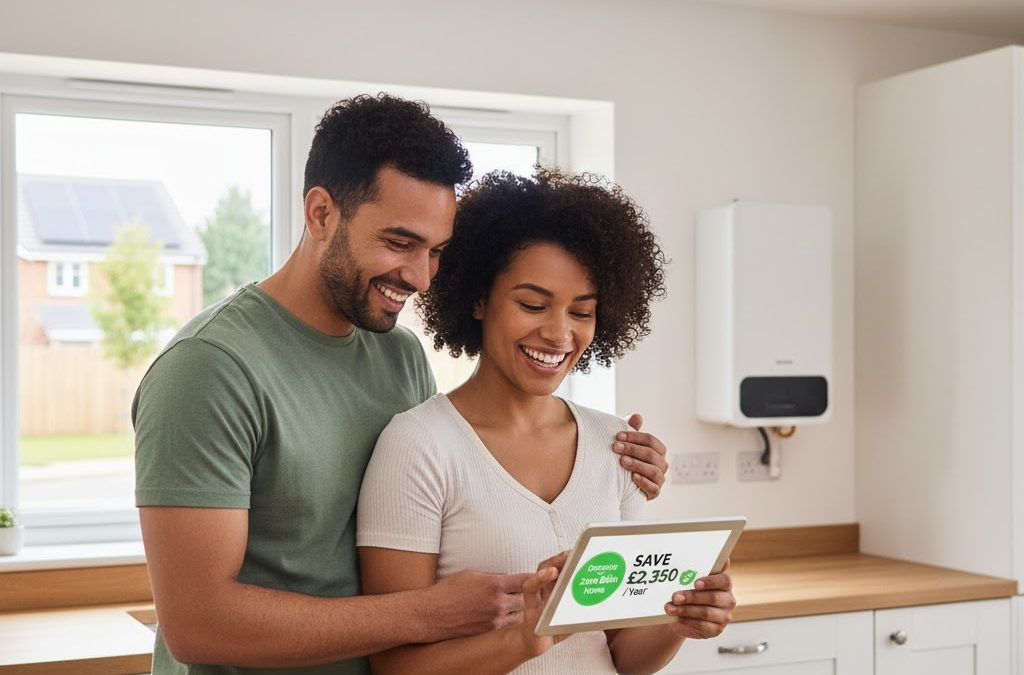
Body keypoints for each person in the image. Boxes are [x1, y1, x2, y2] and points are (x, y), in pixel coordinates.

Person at [133, 94, 670, 675]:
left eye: (436, 251)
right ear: (321, 214)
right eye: (399, 243)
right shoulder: (208, 370)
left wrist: (614, 464)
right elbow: (197, 624)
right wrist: (429, 613)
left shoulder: (396, 352)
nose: (420, 276)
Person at [357, 169, 736, 675]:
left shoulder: (616, 444)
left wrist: (678, 620)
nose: (559, 334)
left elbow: (622, 655)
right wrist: (521, 641)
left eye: (581, 312)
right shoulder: (418, 445)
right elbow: (394, 667)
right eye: (532, 304)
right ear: (478, 299)